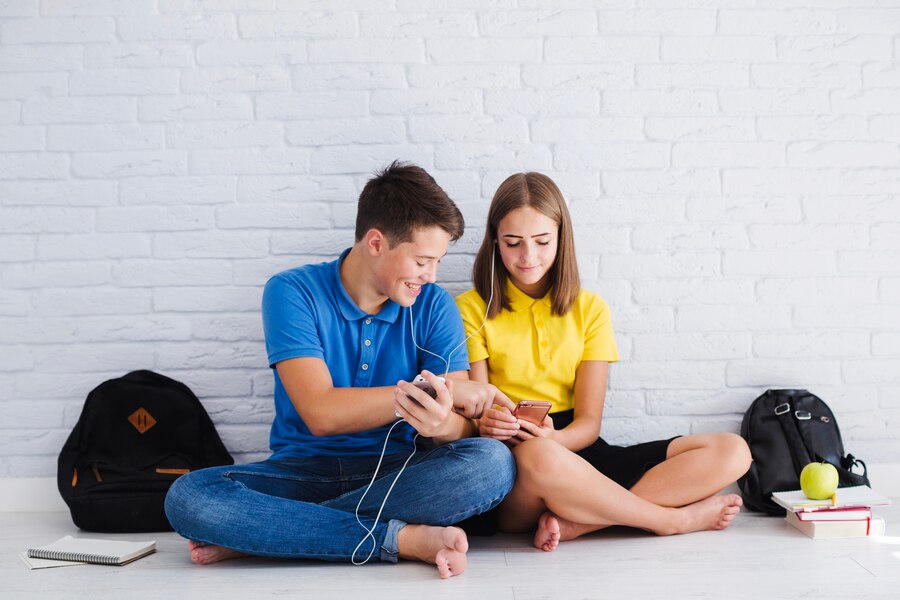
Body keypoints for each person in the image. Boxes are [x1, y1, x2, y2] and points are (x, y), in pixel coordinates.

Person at [165, 161, 517, 579]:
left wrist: (441, 424)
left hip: (399, 474)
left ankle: (273, 533)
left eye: (437, 261)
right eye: (423, 260)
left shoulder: (434, 305)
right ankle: (398, 539)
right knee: (191, 497)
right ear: (375, 243)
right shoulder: (292, 292)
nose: (432, 275)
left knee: (493, 463)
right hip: (300, 472)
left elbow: (456, 430)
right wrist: (430, 391)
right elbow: (321, 413)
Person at [456, 172, 752, 551]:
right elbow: (477, 412)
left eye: (542, 241)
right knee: (540, 455)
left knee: (733, 451)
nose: (528, 256)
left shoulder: (590, 309)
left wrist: (556, 438)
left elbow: (589, 425)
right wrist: (491, 425)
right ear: (495, 241)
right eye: (513, 243)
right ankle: (670, 520)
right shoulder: (469, 309)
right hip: (515, 463)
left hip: (573, 443)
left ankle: (584, 524)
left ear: (562, 239)